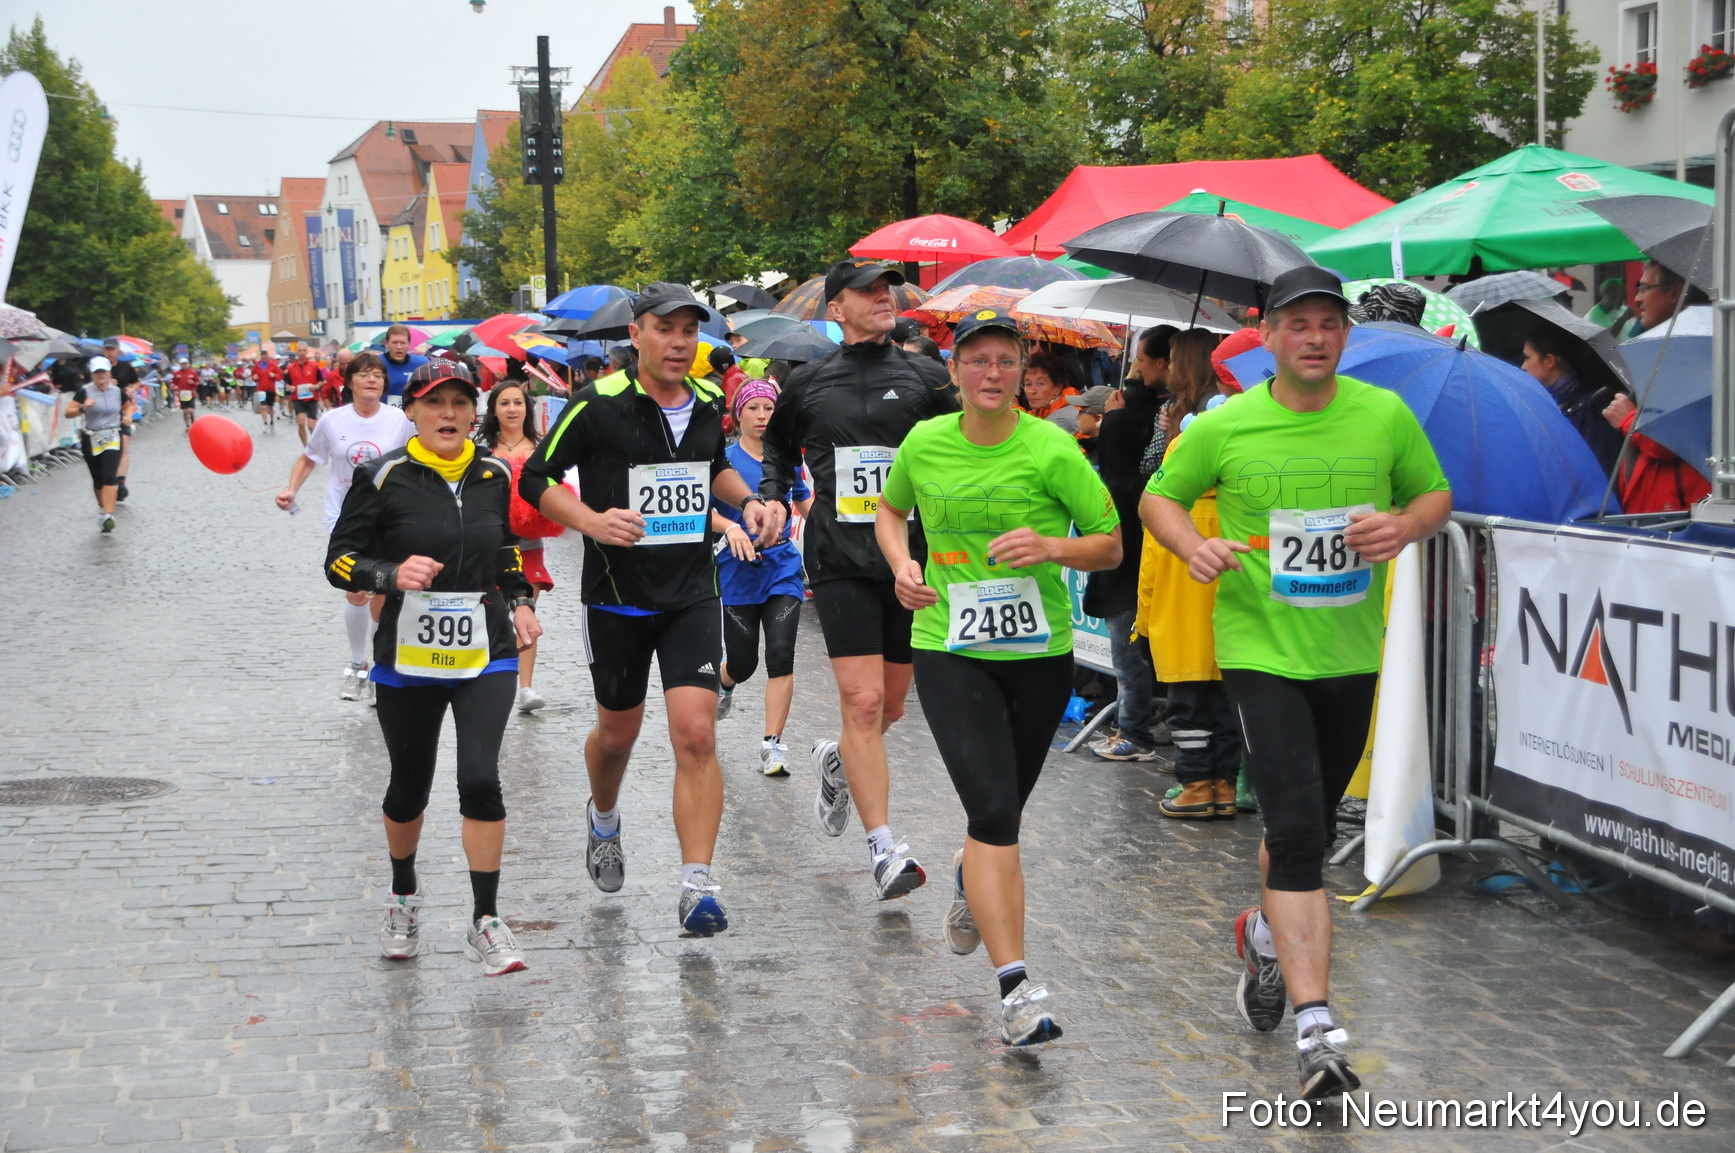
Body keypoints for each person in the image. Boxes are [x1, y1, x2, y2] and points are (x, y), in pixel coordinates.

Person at [1141, 266, 1452, 1099]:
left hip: (1350, 651)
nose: (1314, 336)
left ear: (1342, 336)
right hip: (1259, 650)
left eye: (1328, 324)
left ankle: (1265, 935)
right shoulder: (1226, 423)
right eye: (1298, 324)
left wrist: (1403, 524)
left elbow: (1434, 495)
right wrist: (1190, 545)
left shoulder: (1382, 415)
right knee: (1300, 832)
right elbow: (1158, 499)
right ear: (1269, 336)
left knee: (1304, 827)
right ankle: (1318, 1029)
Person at [875, 308, 1122, 1046]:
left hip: (1038, 656)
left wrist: (1050, 544)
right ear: (953, 372)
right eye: (976, 360)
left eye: (1004, 362)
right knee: (993, 812)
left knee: (999, 816)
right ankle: (1017, 989)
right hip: (947, 644)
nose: (991, 373)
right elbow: (890, 513)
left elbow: (1109, 545)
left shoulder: (1050, 448)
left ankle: (965, 875)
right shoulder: (924, 442)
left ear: (1021, 373)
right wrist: (901, 564)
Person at [520, 283, 784, 935]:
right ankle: (603, 817)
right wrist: (591, 520)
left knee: (696, 732)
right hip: (617, 596)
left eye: (689, 331)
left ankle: (697, 882)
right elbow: (536, 479)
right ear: (634, 335)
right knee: (617, 735)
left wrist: (742, 501)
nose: (678, 342)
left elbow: (711, 466)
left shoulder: (704, 403)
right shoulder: (596, 405)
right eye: (664, 329)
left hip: (691, 589)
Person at [325, 360, 540, 975]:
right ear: (411, 411)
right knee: (408, 783)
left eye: (459, 402)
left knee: (479, 777)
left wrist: (521, 601)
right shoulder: (381, 476)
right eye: (434, 402)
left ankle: (486, 920)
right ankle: (403, 896)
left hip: (486, 650)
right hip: (408, 656)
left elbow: (504, 551)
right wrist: (387, 575)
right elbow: (339, 561)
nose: (448, 414)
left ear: (475, 412)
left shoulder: (495, 473)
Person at [758, 259, 955, 901]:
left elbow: (963, 446)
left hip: (910, 562)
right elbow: (779, 451)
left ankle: (838, 760)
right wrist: (775, 495)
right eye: (867, 291)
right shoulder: (809, 383)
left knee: (892, 705)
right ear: (835, 309)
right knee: (864, 703)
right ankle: (883, 849)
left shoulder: (927, 378)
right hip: (839, 558)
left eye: (886, 289)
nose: (882, 297)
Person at [278, 352, 414, 700]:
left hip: (388, 515)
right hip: (345, 516)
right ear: (350, 381)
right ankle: (357, 666)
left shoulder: (399, 420)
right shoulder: (332, 421)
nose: (372, 380)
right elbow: (310, 458)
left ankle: (382, 666)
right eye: (365, 374)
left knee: (382, 593)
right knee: (356, 589)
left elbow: (417, 459)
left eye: (379, 376)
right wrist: (291, 489)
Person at [712, 379, 814, 775]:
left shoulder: (786, 461)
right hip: (737, 571)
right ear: (738, 413)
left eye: (769, 409)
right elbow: (703, 510)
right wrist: (731, 528)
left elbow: (808, 505)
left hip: (782, 569)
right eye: (753, 408)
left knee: (781, 656)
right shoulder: (725, 461)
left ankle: (772, 745)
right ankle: (725, 681)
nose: (761, 416)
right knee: (743, 661)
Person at [1084, 325, 1172, 763]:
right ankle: (1148, 723)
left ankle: (1133, 729)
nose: (1137, 363)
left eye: (1143, 357)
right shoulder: (1167, 415)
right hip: (1162, 543)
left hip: (1130, 544)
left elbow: (1118, 483)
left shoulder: (1126, 417)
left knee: (1128, 648)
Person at [478, 380, 554, 713]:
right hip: (489, 545)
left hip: (530, 544)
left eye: (518, 403)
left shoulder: (541, 446)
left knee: (526, 612)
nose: (512, 409)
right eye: (505, 403)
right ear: (494, 409)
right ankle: (489, 678)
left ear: (527, 408)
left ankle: (525, 687)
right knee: (492, 612)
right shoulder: (480, 448)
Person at [1520, 328, 1625, 477]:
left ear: (1549, 361)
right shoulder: (1554, 404)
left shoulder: (1595, 405)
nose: (1523, 367)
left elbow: (1604, 471)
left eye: (1527, 357)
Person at [65, 356, 134, 533]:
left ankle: (109, 515)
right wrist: (83, 408)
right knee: (98, 479)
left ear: (109, 372)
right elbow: (68, 412)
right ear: (92, 374)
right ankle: (103, 510)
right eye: (97, 372)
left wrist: (127, 416)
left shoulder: (117, 392)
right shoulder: (84, 392)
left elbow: (128, 406)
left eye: (103, 371)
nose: (100, 375)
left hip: (112, 435)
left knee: (109, 476)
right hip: (91, 437)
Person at [102, 339, 140, 502]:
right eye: (107, 349)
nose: (110, 352)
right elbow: (85, 387)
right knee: (107, 451)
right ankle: (109, 481)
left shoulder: (125, 367)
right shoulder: (97, 368)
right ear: (103, 351)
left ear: (118, 350)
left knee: (123, 446)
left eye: (113, 349)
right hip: (102, 414)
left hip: (123, 410)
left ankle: (122, 483)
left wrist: (133, 389)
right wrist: (104, 382)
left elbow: (136, 381)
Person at [1018, 349, 1079, 432]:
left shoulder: (1064, 418)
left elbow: (1029, 436)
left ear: (1058, 387)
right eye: (1028, 384)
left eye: (1040, 384)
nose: (1032, 391)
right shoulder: (1040, 410)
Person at [381, 324, 430, 407]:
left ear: (409, 344)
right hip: (383, 415)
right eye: (395, 343)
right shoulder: (376, 363)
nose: (399, 347)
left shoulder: (422, 363)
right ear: (386, 343)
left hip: (411, 415)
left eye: (403, 343)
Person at [285, 348, 323, 447]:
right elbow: (287, 384)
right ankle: (306, 447)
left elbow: (321, 381)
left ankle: (315, 444)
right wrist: (290, 387)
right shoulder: (291, 368)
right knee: (301, 423)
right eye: (299, 350)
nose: (301, 352)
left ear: (306, 352)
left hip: (312, 398)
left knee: (311, 426)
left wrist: (316, 386)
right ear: (297, 352)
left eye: (303, 350)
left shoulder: (314, 366)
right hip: (298, 398)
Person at [171, 359, 199, 429]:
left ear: (188, 364)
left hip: (191, 393)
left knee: (190, 410)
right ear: (180, 365)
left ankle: (193, 421)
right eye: (182, 364)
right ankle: (187, 425)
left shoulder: (193, 372)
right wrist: (175, 387)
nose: (184, 365)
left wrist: (193, 383)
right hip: (182, 394)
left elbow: (198, 382)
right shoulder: (177, 373)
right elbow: (173, 383)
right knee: (185, 411)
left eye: (185, 363)